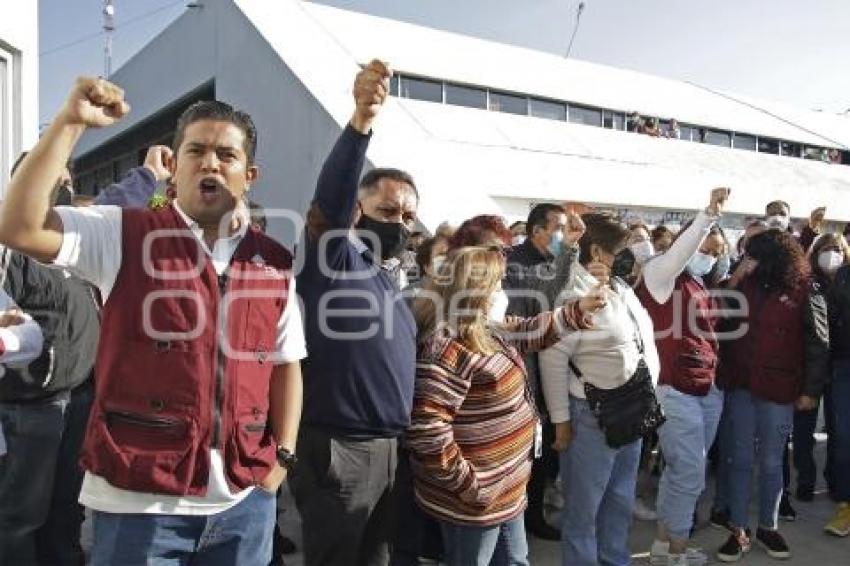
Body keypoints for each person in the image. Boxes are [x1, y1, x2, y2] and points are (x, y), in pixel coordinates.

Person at [0, 76, 305, 565]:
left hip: (245, 508)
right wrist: (70, 123)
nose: (210, 163)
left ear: (249, 175)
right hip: (140, 509)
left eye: (226, 155)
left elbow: (286, 363)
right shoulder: (121, 233)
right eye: (196, 150)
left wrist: (282, 458)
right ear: (173, 169)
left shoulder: (272, 262)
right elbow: (18, 227)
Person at [291, 60, 417, 566]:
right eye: (389, 212)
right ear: (358, 213)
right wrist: (361, 122)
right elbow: (331, 198)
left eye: (408, 216)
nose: (400, 223)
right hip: (338, 449)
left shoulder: (387, 276)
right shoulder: (335, 258)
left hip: (387, 450)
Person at [406, 246, 604, 566]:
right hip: (474, 503)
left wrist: (577, 310)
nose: (502, 292)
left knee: (515, 559)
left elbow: (527, 332)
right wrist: (470, 487)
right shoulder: (446, 348)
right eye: (497, 284)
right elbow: (427, 430)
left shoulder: (482, 329)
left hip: (505, 491)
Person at [540, 212, 661, 566]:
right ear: (596, 251)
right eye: (622, 250)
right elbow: (552, 359)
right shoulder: (572, 292)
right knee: (584, 512)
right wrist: (561, 422)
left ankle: (614, 559)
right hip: (591, 416)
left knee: (619, 501)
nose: (629, 257)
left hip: (632, 408)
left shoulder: (621, 287)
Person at [714, 229, 830, 562]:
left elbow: (818, 343)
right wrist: (735, 279)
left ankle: (768, 526)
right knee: (739, 460)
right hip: (741, 386)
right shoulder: (742, 285)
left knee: (771, 461)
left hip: (779, 389)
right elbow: (715, 319)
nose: (748, 260)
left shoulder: (805, 289)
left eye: (754, 255)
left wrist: (810, 391)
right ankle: (738, 529)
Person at [636, 188, 729, 566]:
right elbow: (679, 253)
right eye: (705, 248)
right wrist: (708, 215)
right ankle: (676, 552)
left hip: (706, 387)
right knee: (689, 474)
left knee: (683, 471)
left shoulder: (699, 282)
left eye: (717, 253)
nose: (710, 257)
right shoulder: (660, 275)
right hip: (673, 389)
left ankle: (664, 544)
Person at [503, 203, 587, 540]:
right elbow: (546, 301)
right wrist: (568, 251)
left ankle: (533, 515)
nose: (563, 235)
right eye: (558, 229)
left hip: (548, 367)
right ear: (536, 231)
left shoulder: (553, 260)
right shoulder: (514, 264)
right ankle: (520, 521)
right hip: (522, 369)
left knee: (540, 452)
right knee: (524, 450)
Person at [792, 234, 850, 507]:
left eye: (837, 249)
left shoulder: (846, 281)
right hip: (809, 366)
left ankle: (836, 480)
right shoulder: (806, 282)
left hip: (841, 364)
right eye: (826, 249)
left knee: (839, 430)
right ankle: (806, 479)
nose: (832, 254)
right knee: (803, 430)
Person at [826, 243, 850, 536]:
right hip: (845, 366)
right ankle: (845, 505)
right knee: (844, 438)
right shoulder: (843, 276)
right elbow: (829, 321)